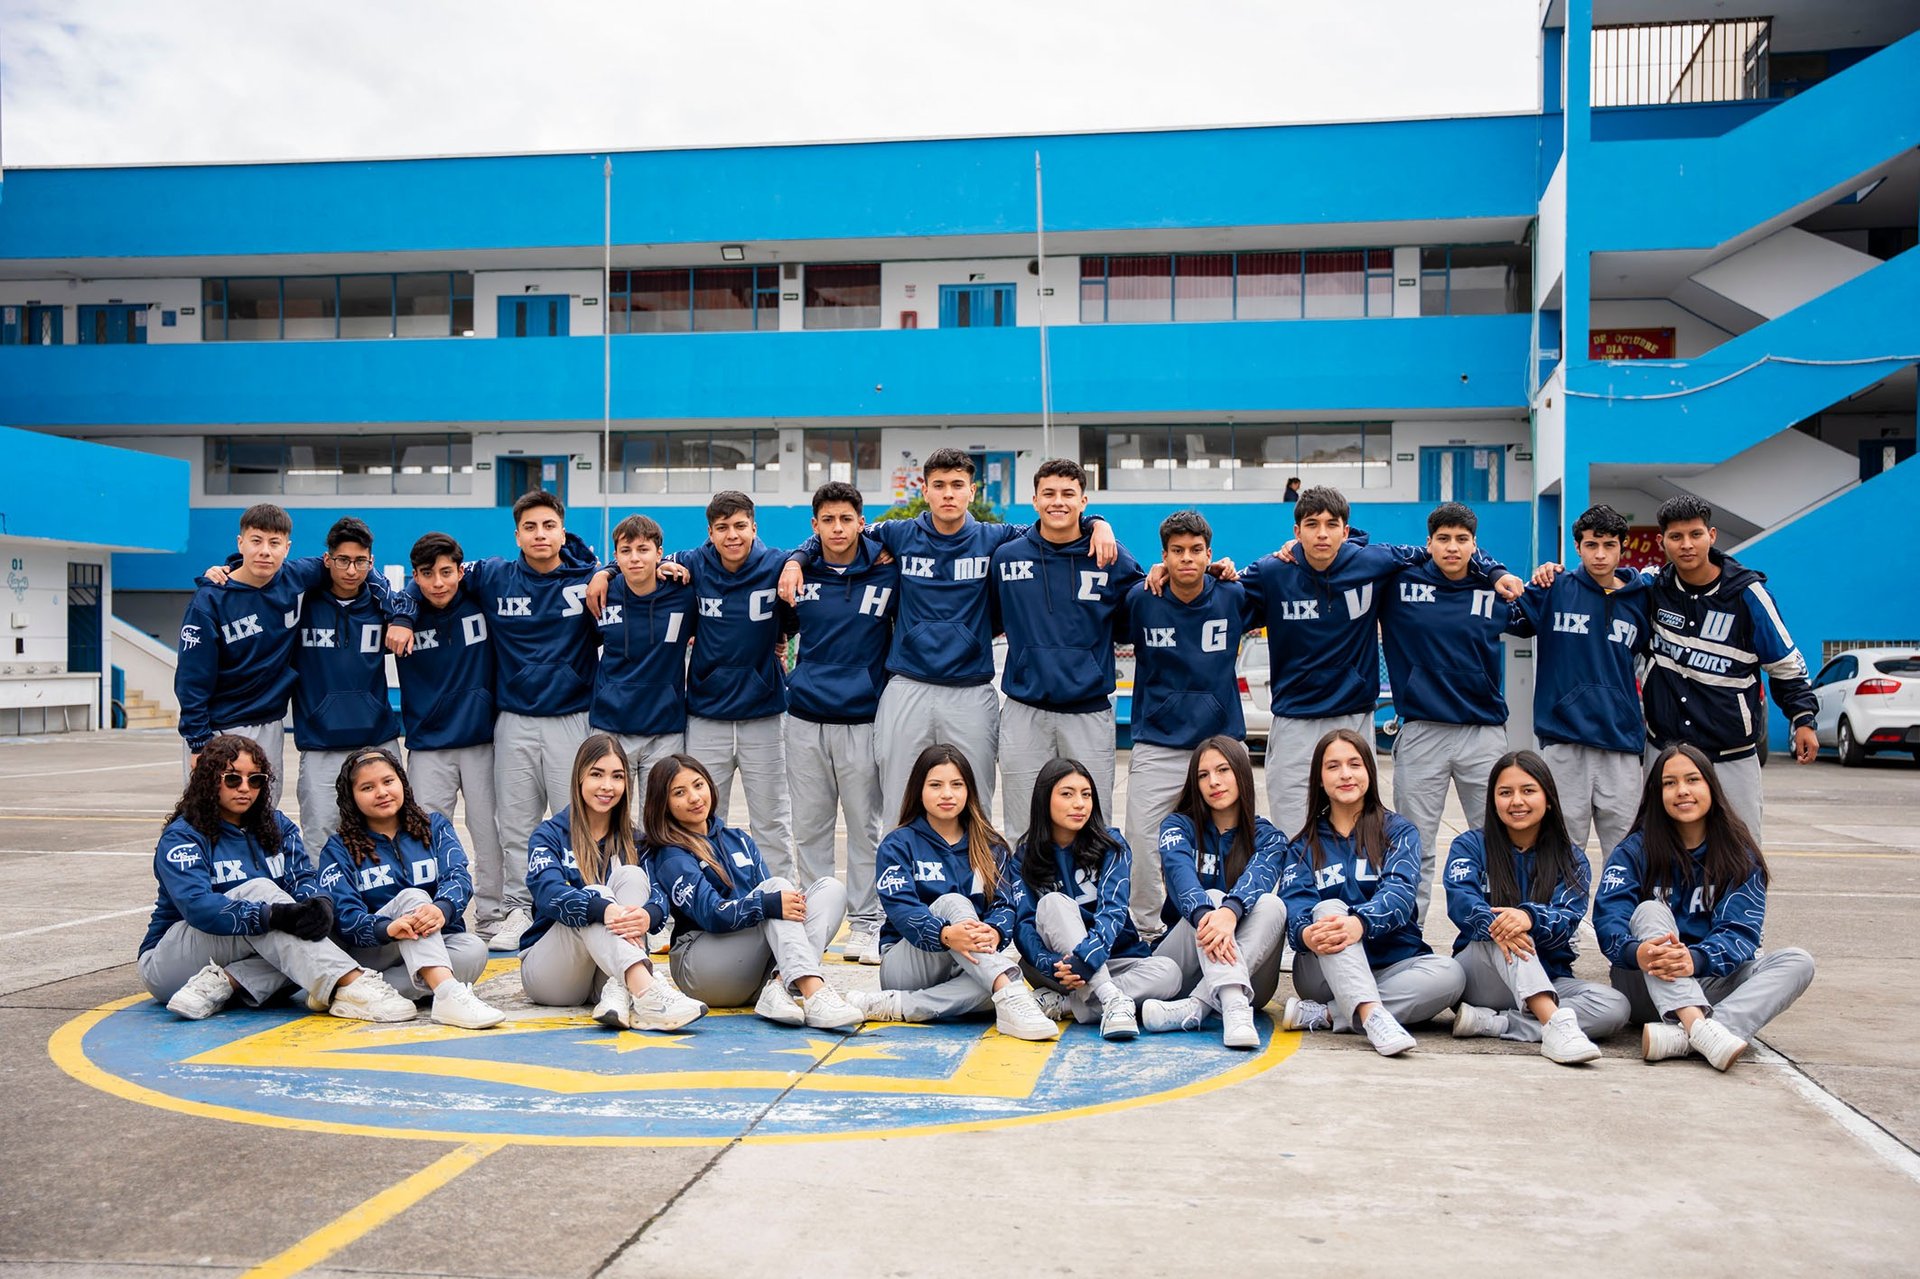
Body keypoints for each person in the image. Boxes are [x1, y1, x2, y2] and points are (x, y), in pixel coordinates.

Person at [777, 447, 1116, 827]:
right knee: (899, 799)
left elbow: (1056, 524)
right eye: (939, 485)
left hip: (970, 689)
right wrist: (797, 559)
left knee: (976, 802)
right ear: (925, 490)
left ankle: (979, 885)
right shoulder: (898, 534)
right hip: (908, 685)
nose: (948, 494)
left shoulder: (997, 539)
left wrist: (1098, 522)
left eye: (958, 485)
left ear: (973, 491)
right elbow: (838, 532)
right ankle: (899, 882)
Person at [1238, 486, 1517, 838]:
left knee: (1356, 832)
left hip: (1353, 714)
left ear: (1346, 529)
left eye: (1331, 524)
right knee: (1291, 830)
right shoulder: (1272, 571)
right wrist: (1183, 573)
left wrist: (1495, 571)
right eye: (1311, 524)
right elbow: (1221, 591)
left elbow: (1449, 550)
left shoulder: (1375, 561)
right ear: (1296, 532)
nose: (1322, 533)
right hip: (1295, 719)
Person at [424, 490, 602, 952]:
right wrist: (403, 612)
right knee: (517, 825)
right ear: (517, 534)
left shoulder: (591, 578)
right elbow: (431, 578)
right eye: (530, 527)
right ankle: (519, 907)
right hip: (514, 720)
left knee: (575, 820)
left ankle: (576, 900)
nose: (540, 535)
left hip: (573, 718)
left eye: (548, 526)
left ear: (563, 531)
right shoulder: (493, 576)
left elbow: (642, 575)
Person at [137, 734, 417, 1023]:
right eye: (233, 779)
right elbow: (198, 908)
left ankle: (227, 982)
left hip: (245, 953)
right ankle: (351, 984)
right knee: (263, 894)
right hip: (172, 961)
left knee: (320, 922)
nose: (245, 788)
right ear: (209, 780)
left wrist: (318, 902)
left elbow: (304, 878)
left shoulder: (276, 825)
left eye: (255, 780)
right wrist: (272, 914)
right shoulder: (184, 835)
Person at [1594, 744, 1815, 1070]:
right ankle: (1700, 1028)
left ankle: (1692, 1034)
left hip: (1709, 978)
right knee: (1650, 910)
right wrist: (1637, 952)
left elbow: (1740, 933)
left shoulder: (1739, 855)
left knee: (1798, 962)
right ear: (1657, 794)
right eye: (1670, 783)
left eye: (1692, 780)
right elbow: (1609, 917)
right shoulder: (1634, 850)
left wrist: (1695, 959)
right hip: (1645, 982)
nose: (1682, 791)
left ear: (1711, 786)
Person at [176, 504, 413, 796]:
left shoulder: (297, 578)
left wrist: (400, 617)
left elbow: (359, 568)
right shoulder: (210, 600)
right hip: (218, 727)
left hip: (270, 723)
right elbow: (190, 680)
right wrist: (199, 742)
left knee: (263, 813)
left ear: (287, 547)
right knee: (209, 815)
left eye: (274, 543)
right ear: (240, 543)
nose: (265, 551)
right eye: (256, 541)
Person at [844, 744, 1060, 1040]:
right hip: (908, 963)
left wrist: (996, 933)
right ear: (919, 790)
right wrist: (946, 934)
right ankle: (1007, 988)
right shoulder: (898, 845)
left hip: (969, 966)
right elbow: (903, 911)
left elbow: (1005, 906)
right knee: (953, 902)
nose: (947, 794)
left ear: (969, 790)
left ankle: (900, 1006)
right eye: (936, 785)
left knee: (989, 994)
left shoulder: (991, 846)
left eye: (956, 785)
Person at [1637, 496, 1818, 843]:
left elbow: (1784, 665)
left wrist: (1804, 718)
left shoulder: (1747, 593)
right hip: (1665, 753)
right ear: (1662, 542)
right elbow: (1605, 587)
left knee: (1742, 852)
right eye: (1676, 537)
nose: (1687, 545)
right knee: (1660, 854)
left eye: (1695, 534)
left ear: (1712, 535)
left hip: (1731, 753)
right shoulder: (1653, 588)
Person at [1277, 729, 1465, 1056]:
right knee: (1329, 908)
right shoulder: (1303, 845)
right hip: (1323, 970)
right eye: (1333, 766)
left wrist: (1360, 923)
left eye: (1355, 764)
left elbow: (1400, 895)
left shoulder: (1398, 831)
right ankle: (1372, 1016)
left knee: (1451, 974)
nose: (1346, 774)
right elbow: (1295, 907)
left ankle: (1327, 1014)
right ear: (1319, 779)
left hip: (1393, 963)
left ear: (1369, 772)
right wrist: (1306, 934)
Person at [647, 754, 863, 1030]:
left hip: (749, 968)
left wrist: (770, 905)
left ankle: (779, 985)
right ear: (663, 804)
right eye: (679, 792)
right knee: (776, 892)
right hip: (702, 966)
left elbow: (777, 918)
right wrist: (767, 904)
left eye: (698, 785)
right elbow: (712, 915)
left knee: (830, 889)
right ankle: (814, 991)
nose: (694, 797)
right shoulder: (671, 855)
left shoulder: (738, 839)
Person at [1376, 502, 1517, 924]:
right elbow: (1364, 550)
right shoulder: (1400, 583)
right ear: (1429, 542)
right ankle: (1406, 936)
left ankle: (1499, 932)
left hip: (1483, 732)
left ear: (1475, 545)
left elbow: (1535, 613)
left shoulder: (1494, 589)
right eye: (1443, 539)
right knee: (1413, 845)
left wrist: (1493, 570)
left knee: (1497, 841)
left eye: (1461, 539)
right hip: (1422, 731)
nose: (1452, 547)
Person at [990, 459, 1146, 837]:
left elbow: (1143, 608)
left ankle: (1095, 897)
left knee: (1092, 820)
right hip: (1024, 709)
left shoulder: (1111, 556)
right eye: (1049, 494)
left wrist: (1102, 526)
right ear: (1034, 500)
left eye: (1067, 494)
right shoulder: (1007, 557)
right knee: (1022, 822)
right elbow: (993, 619)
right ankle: (1024, 897)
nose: (1057, 502)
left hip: (1088, 710)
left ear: (1083, 501)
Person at [1443, 751, 1629, 1064]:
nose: (1517, 801)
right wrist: (1506, 924)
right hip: (1482, 974)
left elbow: (1567, 920)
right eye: (1505, 793)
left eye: (1528, 791)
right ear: (1493, 801)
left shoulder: (1572, 859)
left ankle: (1500, 1023)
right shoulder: (1470, 845)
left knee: (1615, 1007)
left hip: (1548, 976)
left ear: (1549, 798)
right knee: (1508, 934)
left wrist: (1529, 916)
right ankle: (1555, 1027)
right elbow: (1462, 903)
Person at [1120, 509, 1255, 935]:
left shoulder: (1234, 595)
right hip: (1158, 744)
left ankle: (1235, 924)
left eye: (1196, 550)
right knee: (1142, 841)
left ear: (1209, 553)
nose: (1187, 559)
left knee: (1232, 842)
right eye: (1176, 551)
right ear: (1163, 556)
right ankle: (1146, 930)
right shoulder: (1141, 600)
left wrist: (1228, 569)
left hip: (1220, 744)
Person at [782, 482, 899, 965]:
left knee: (864, 828)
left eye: (845, 519)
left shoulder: (888, 572)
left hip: (863, 718)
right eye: (826, 520)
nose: (836, 528)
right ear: (815, 526)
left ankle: (867, 923)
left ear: (860, 522)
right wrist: (795, 558)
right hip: (806, 716)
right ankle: (817, 919)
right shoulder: (797, 573)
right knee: (810, 827)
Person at [518, 735, 708, 1031]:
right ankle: (646, 991)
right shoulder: (550, 834)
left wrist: (647, 915)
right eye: (597, 774)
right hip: (551, 977)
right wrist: (603, 909)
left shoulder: (637, 841)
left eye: (617, 776)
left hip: (604, 977)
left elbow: (659, 897)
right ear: (579, 778)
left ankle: (622, 989)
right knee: (597, 894)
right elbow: (547, 894)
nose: (608, 786)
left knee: (632, 875)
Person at [318, 747, 506, 1029]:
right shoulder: (339, 848)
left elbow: (457, 876)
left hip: (426, 938)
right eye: (367, 787)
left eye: (388, 781)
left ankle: (352, 993)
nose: (381, 792)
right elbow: (345, 917)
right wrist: (388, 928)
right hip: (374, 949)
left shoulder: (434, 828)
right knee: (413, 896)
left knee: (473, 950)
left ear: (402, 783)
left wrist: (441, 910)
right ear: (351, 798)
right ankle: (446, 995)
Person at [1506, 504, 1648, 856]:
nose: (1600, 554)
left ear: (1622, 547)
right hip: (1564, 743)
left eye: (1609, 545)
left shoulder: (1641, 599)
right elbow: (1502, 617)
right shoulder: (1552, 588)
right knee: (1561, 851)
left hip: (1621, 747)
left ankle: (1620, 914)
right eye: (1591, 545)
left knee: (1627, 853)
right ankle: (1560, 914)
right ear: (1577, 547)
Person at [1011, 757, 1181, 1041]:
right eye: (1067, 794)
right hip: (1059, 968)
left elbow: (1112, 913)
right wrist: (1051, 963)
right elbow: (1024, 925)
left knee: (1170, 972)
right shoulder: (1025, 856)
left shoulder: (1111, 845)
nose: (1080, 804)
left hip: (1116, 960)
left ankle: (1069, 1005)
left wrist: (1086, 960)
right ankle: (1112, 1001)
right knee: (1053, 903)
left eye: (1086, 794)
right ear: (1044, 800)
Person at [673, 492, 797, 875]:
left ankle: (782, 903)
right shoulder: (692, 563)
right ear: (710, 532)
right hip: (707, 716)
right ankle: (704, 899)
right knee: (702, 816)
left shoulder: (778, 564)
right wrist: (604, 573)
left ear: (754, 528)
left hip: (764, 714)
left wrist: (797, 564)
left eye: (740, 526)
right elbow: (636, 557)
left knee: (772, 819)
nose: (732, 535)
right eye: (722, 528)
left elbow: (795, 616)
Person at [1139, 736, 1286, 1049]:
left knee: (1274, 905)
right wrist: (1213, 914)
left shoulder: (1269, 837)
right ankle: (1233, 1011)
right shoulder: (1177, 826)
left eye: (1223, 770)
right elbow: (1181, 880)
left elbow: (1258, 879)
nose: (1213, 782)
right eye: (1203, 775)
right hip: (1182, 966)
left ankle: (1198, 1006)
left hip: (1252, 975)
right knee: (1214, 898)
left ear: (1242, 775)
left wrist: (1230, 913)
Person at [396, 533, 505, 938]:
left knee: (487, 830)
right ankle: (431, 912)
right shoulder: (403, 613)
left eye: (446, 572)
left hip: (480, 740)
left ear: (461, 571)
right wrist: (404, 615)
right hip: (428, 745)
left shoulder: (482, 601)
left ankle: (492, 916)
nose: (438, 583)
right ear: (416, 577)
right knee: (424, 835)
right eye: (427, 575)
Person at [289, 517, 406, 862]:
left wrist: (401, 618)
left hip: (376, 740)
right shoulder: (302, 603)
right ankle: (324, 912)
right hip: (319, 742)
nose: (351, 570)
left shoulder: (384, 606)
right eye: (343, 560)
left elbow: (410, 604)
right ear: (328, 560)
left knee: (389, 829)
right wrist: (230, 567)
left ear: (371, 563)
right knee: (321, 833)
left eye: (360, 561)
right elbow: (266, 575)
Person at [588, 514, 696, 803]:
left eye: (643, 550)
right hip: (611, 727)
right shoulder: (600, 594)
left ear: (659, 554)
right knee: (611, 822)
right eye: (626, 551)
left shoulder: (683, 594)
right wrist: (604, 573)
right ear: (616, 556)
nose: (635, 558)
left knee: (658, 822)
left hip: (665, 730)